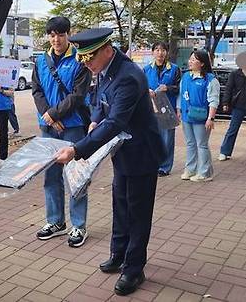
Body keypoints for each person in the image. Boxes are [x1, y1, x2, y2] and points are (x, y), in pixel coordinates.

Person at [54, 27, 165, 296]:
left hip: (141, 153)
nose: (87, 64)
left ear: (107, 49)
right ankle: (118, 254)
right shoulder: (104, 70)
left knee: (138, 212)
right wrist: (93, 121)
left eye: (90, 58)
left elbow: (116, 121)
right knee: (121, 204)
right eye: (83, 59)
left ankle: (134, 269)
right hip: (123, 153)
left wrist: (77, 150)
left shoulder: (128, 76)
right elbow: (98, 102)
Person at [32, 16, 93, 248]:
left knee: (76, 176)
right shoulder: (41, 60)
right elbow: (36, 90)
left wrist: (55, 114)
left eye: (60, 34)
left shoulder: (80, 60)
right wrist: (48, 114)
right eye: (52, 34)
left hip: (74, 126)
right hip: (48, 126)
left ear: (68, 34)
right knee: (51, 176)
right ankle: (56, 222)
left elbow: (78, 95)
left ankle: (78, 225)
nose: (56, 39)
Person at [176, 50, 220, 182]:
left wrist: (210, 118)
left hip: (201, 118)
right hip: (187, 116)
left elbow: (213, 100)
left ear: (202, 63)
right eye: (190, 59)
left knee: (202, 144)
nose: (190, 62)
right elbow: (180, 94)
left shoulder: (210, 80)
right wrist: (179, 109)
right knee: (190, 143)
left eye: (194, 60)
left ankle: (205, 172)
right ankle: (190, 169)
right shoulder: (186, 77)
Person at [143, 41, 181, 176]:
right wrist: (147, 90)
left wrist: (168, 88)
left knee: (167, 139)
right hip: (151, 108)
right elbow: (140, 87)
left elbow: (179, 88)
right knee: (152, 137)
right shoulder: (146, 69)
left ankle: (165, 167)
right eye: (157, 50)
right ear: (153, 52)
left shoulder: (174, 69)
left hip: (167, 108)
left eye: (163, 50)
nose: (160, 53)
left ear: (167, 52)